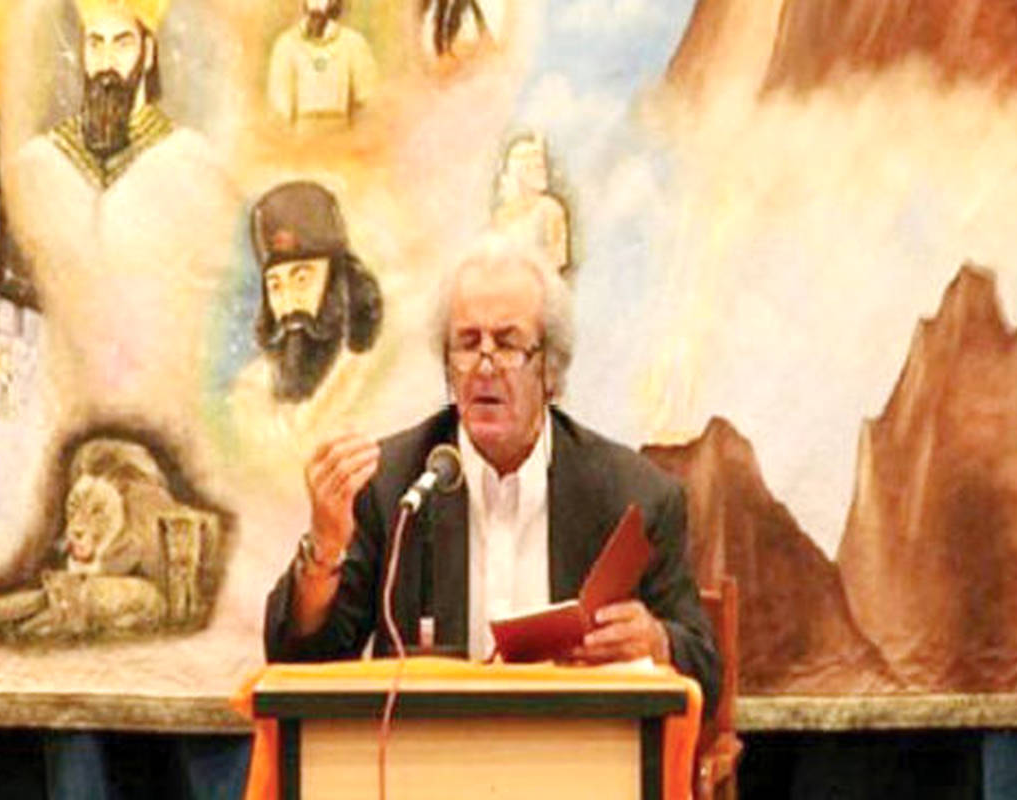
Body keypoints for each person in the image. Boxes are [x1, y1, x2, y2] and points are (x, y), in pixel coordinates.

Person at [263, 237, 720, 707]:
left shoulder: (635, 496)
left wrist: (658, 642)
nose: (484, 366)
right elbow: (299, 661)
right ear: (447, 366)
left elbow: (705, 668)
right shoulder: (392, 488)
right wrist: (325, 549)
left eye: (507, 344)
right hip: (426, 744)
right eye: (467, 344)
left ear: (551, 369)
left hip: (575, 742)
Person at [5, 0, 238, 428]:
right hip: (58, 412)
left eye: (122, 43)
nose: (107, 63)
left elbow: (217, 313)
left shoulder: (194, 166)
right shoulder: (37, 166)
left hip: (161, 412)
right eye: (95, 44)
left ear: (148, 54)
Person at [228, 181, 384, 456]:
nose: (289, 304)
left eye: (302, 280)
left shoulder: (375, 372)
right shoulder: (252, 390)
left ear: (336, 281)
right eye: (276, 286)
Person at [266, 0, 378, 130]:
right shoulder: (286, 44)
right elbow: (280, 101)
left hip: (342, 133)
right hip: (302, 135)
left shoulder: (353, 43)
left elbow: (367, 98)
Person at [492, 132, 570, 275]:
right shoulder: (503, 215)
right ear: (519, 172)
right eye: (533, 168)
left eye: (541, 167)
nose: (541, 173)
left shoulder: (550, 209)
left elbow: (558, 258)